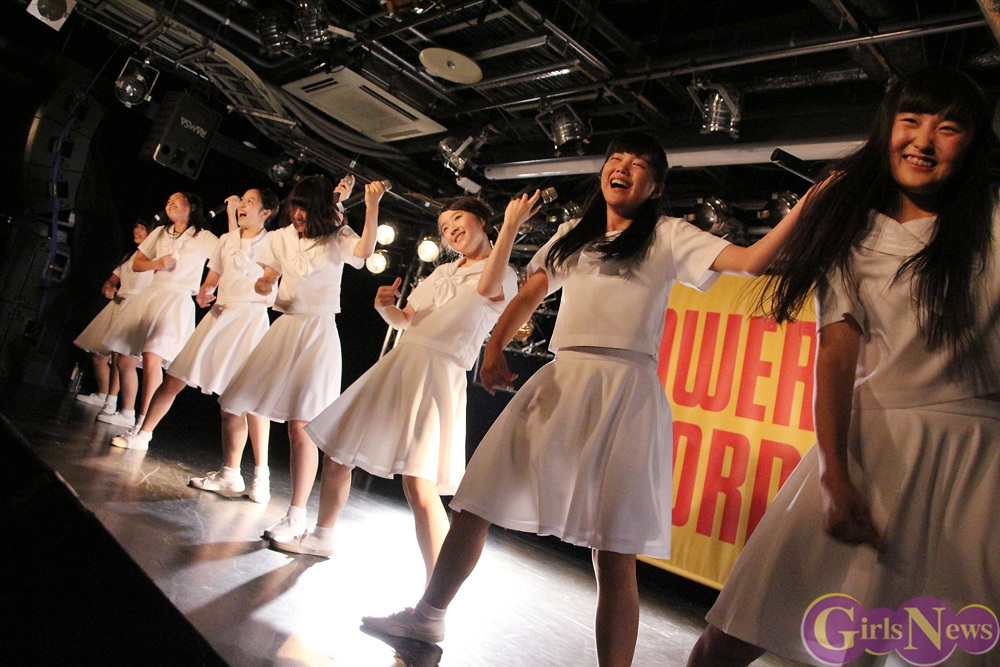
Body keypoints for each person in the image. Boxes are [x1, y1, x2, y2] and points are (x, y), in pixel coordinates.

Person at [363, 132, 805, 667]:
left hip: (625, 389)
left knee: (614, 552)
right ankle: (427, 617)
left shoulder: (668, 234)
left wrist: (808, 203)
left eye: (638, 164)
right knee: (476, 502)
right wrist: (494, 347)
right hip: (563, 377)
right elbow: (531, 293)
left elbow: (753, 260)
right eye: (616, 159)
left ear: (655, 186)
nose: (623, 168)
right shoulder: (574, 235)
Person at [686, 68, 1000, 667]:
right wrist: (834, 474)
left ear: (974, 142)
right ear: (887, 129)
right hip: (872, 450)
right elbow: (834, 356)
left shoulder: (992, 224)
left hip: (979, 468)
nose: (923, 140)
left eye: (948, 127)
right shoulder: (857, 237)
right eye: (911, 121)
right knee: (736, 633)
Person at [270, 193, 539, 580]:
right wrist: (385, 307)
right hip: (401, 363)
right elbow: (406, 319)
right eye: (444, 227)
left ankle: (437, 587)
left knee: (419, 485)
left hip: (438, 374)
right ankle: (321, 536)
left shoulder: (504, 273)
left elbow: (486, 288)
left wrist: (510, 227)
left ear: (482, 221)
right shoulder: (441, 272)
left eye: (457, 220)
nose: (450, 230)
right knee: (339, 454)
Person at [218, 174, 378, 540]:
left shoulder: (336, 236)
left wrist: (371, 207)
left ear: (320, 209)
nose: (296, 213)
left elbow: (365, 252)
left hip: (317, 332)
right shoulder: (281, 237)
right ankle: (235, 473)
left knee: (300, 427)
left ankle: (296, 516)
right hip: (286, 327)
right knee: (235, 403)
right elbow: (269, 274)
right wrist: (265, 283)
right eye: (294, 206)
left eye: (304, 207)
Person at [110, 190, 279, 504]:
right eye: (242, 201)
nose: (242, 206)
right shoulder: (227, 240)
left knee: (248, 401)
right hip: (220, 315)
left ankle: (259, 477)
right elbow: (213, 277)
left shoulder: (275, 241)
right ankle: (143, 434)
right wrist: (205, 292)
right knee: (177, 376)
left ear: (266, 212)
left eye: (250, 202)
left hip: (250, 319)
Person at [102, 192, 218, 431]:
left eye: (177, 201)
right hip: (152, 295)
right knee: (125, 358)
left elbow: (223, 261)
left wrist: (208, 288)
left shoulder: (203, 236)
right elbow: (137, 263)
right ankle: (127, 412)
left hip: (176, 300)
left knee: (153, 356)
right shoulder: (159, 232)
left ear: (191, 206)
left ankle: (143, 422)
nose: (170, 204)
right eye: (168, 202)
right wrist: (157, 263)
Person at [74, 220, 153, 418]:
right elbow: (112, 279)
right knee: (99, 356)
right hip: (119, 304)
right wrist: (109, 288)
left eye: (142, 228)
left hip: (135, 305)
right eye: (135, 227)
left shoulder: (154, 257)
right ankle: (103, 395)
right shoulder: (130, 256)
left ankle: (114, 402)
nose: (136, 231)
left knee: (121, 356)